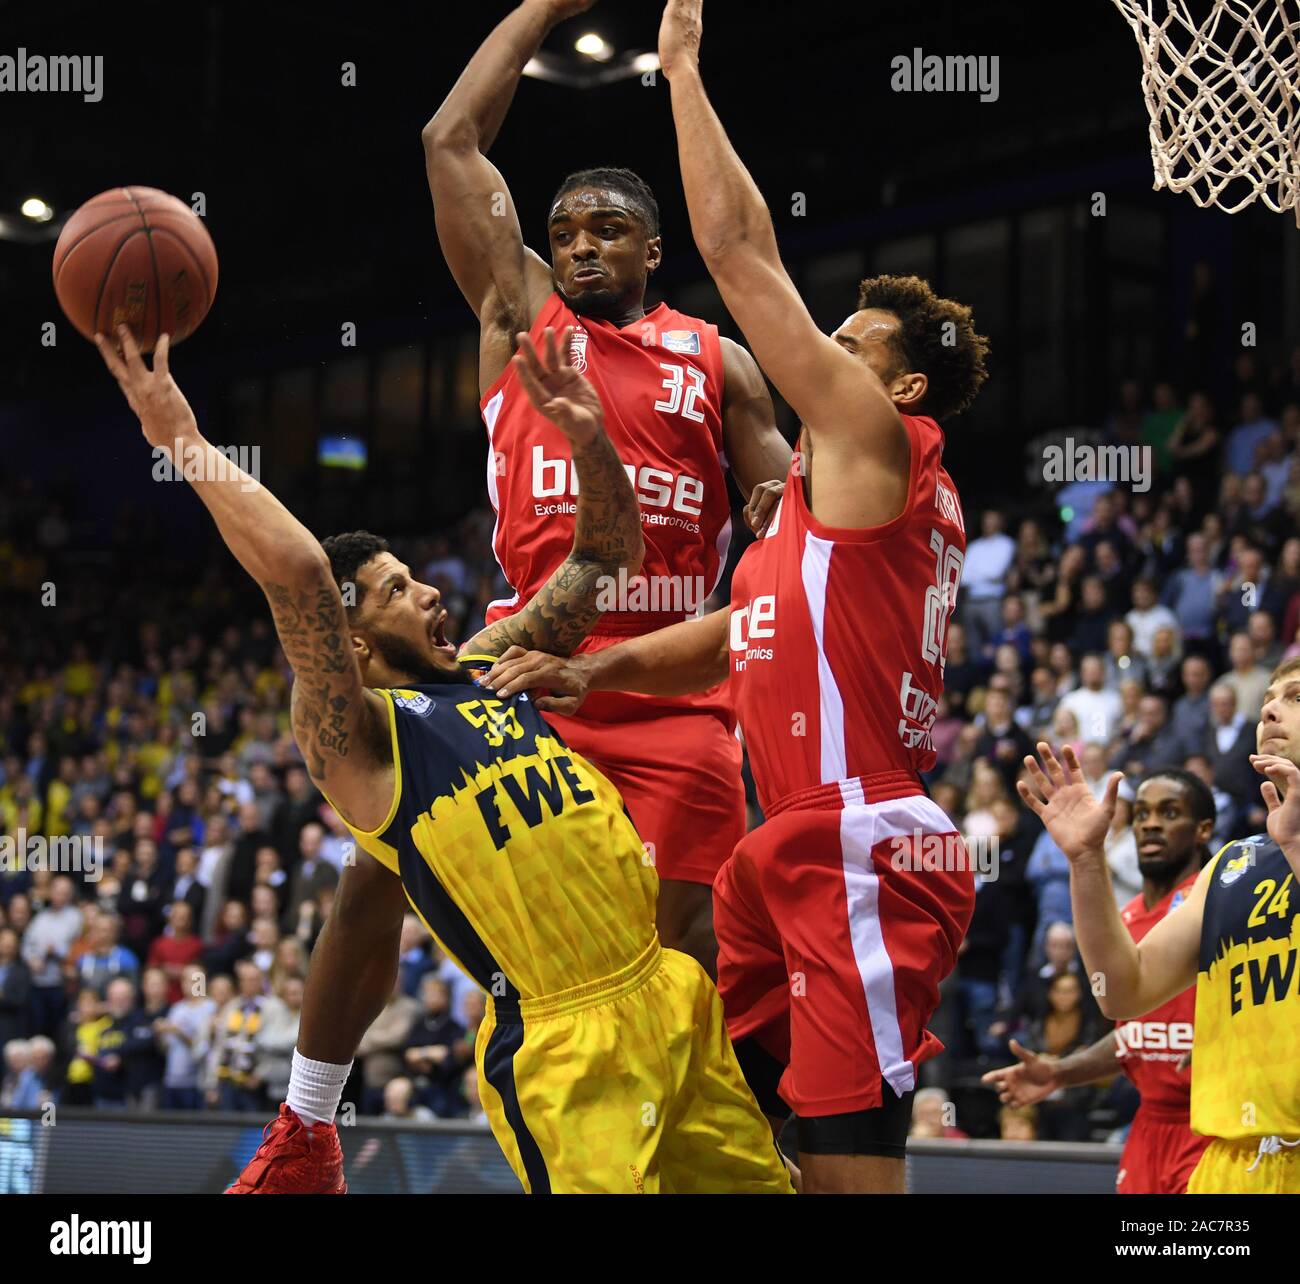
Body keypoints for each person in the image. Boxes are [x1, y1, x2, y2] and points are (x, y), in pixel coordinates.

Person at [93, 322, 788, 1196]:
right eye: (393, 590)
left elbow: (609, 556)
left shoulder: (494, 660)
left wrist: (587, 439)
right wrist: (182, 441)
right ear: (348, 642)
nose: (426, 589)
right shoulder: (361, 743)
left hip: (670, 997)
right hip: (566, 1046)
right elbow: (303, 573)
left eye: (412, 575)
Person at [486, 0, 989, 1193]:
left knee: (846, 1160)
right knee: (735, 1130)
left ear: (902, 384)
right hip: (790, 839)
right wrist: (593, 668)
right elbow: (734, 635)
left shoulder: (879, 437)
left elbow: (742, 255)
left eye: (848, 343)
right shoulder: (807, 522)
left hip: (860, 835)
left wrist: (683, 69)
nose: (819, 349)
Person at [422, 0, 792, 972]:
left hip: (673, 682)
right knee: (545, 962)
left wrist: (783, 508)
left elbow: (809, 538)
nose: (582, 245)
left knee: (672, 964)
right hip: (531, 669)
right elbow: (449, 141)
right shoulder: (521, 315)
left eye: (608, 229)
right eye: (565, 231)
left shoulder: (722, 362)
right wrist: (542, 7)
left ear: (651, 250)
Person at [1016, 665, 1300, 1192]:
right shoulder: (1233, 864)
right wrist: (1086, 861)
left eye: (1295, 696)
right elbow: (1123, 991)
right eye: (1267, 698)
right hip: (1231, 1164)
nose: (1267, 710)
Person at [985, 769, 1216, 1192]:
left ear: (1204, 830)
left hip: (1214, 1126)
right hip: (1148, 1127)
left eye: (1169, 813)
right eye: (1142, 813)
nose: (1150, 823)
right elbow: (1136, 1036)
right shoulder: (1122, 918)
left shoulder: (1219, 901)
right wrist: (1060, 1072)